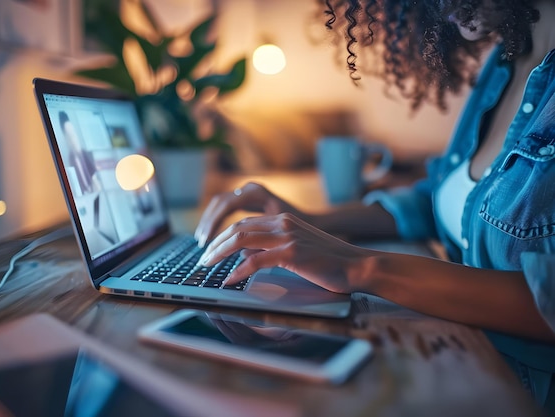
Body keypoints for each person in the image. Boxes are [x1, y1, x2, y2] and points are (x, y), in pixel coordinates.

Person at [194, 0, 555, 410]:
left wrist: (361, 267)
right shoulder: (506, 62)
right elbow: (445, 199)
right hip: (459, 356)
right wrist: (309, 220)